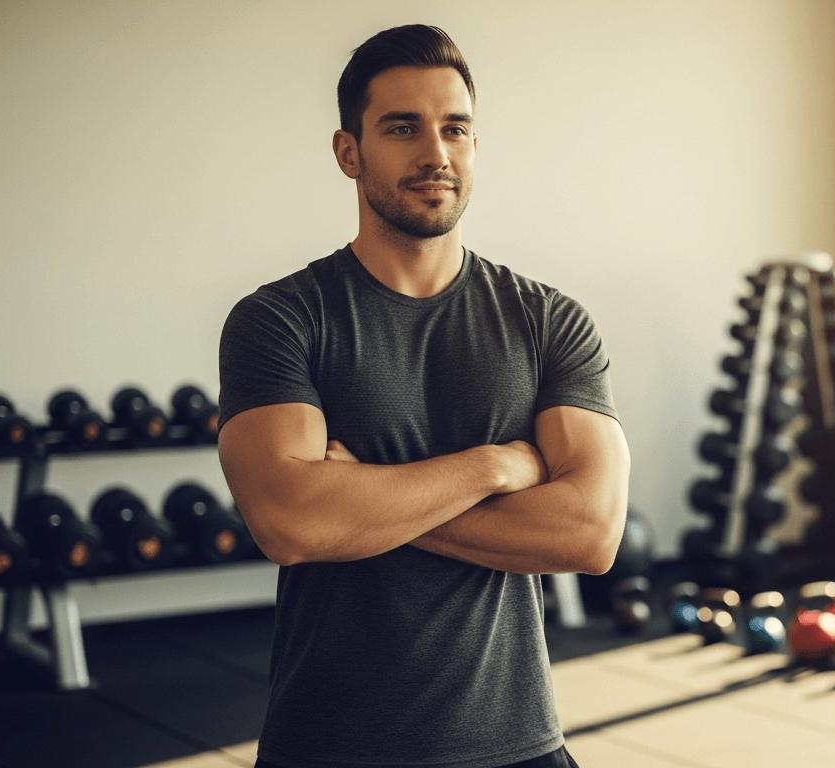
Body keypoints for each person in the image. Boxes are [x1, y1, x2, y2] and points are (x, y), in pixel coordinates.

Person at [216, 24, 629, 768]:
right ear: (350, 152)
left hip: (520, 746)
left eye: (455, 129)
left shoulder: (547, 321)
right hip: (329, 746)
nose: (435, 153)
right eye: (402, 128)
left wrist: (360, 497)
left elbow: (590, 534)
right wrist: (497, 467)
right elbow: (292, 521)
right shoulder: (280, 319)